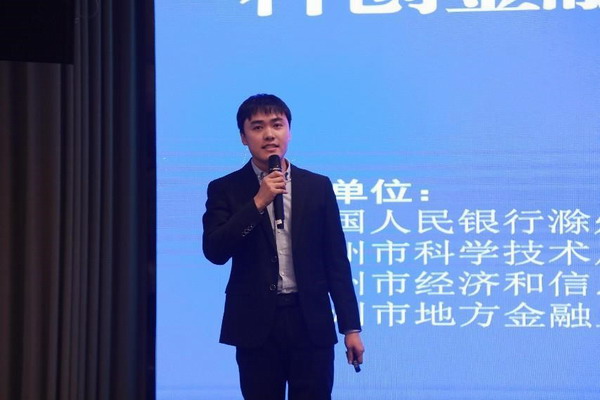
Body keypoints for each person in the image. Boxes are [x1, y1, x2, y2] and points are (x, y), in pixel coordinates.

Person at [202, 94, 364, 400]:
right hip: (255, 324)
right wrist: (257, 202)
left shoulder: (317, 186)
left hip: (310, 320)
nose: (269, 134)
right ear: (243, 137)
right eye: (258, 127)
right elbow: (215, 251)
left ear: (289, 131)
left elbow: (336, 262)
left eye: (277, 125)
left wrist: (351, 328)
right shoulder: (225, 188)